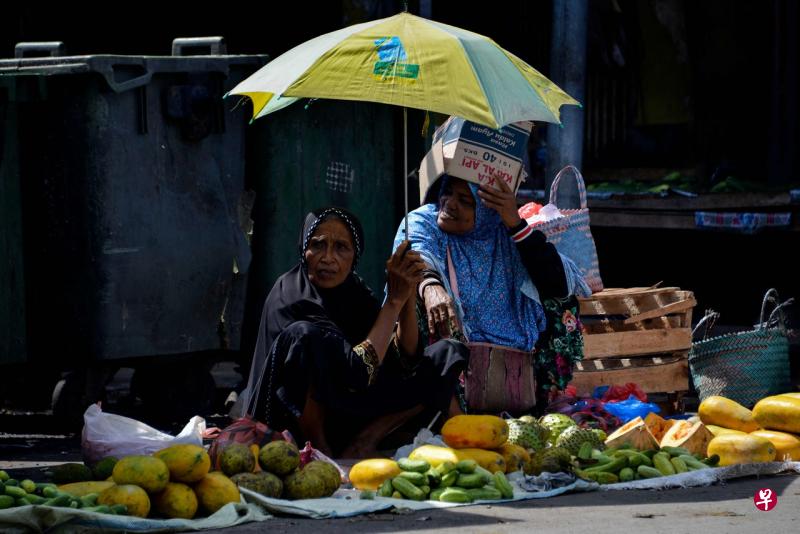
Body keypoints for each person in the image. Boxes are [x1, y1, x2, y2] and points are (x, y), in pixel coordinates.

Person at [238, 207, 468, 458]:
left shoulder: (354, 291)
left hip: (346, 406)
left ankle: (366, 439)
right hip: (290, 422)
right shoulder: (291, 295)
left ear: (354, 255)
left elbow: (405, 358)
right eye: (318, 245)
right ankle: (319, 450)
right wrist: (392, 301)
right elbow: (357, 372)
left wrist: (407, 297)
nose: (327, 258)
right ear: (304, 249)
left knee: (446, 353)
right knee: (303, 337)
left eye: (340, 248)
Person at [394, 175, 590, 409]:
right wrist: (431, 286)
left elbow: (558, 285)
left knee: (561, 304)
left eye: (466, 200)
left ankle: (536, 397)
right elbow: (416, 250)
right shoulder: (425, 219)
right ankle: (442, 408)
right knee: (413, 290)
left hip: (510, 362)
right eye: (447, 192)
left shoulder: (503, 233)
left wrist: (516, 224)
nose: (450, 203)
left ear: (488, 211)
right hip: (449, 359)